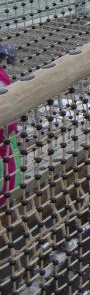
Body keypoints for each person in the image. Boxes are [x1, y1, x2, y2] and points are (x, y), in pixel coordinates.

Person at [0, 43, 20, 204]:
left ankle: (4, 198)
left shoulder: (1, 79)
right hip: (7, 124)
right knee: (9, 158)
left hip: (4, 125)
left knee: (7, 160)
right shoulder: (2, 76)